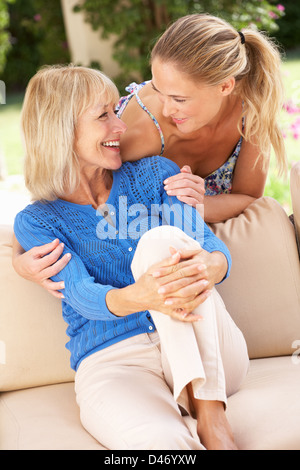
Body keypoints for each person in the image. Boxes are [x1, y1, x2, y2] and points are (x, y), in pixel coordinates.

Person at [13, 64, 249, 450]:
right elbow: (80, 293)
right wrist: (143, 295)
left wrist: (212, 265)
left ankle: (211, 414)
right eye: (104, 115)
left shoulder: (156, 175)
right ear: (61, 129)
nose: (120, 127)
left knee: (160, 240)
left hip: (212, 352)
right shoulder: (38, 221)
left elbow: (207, 245)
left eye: (117, 112)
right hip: (116, 362)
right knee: (159, 445)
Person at [117, 13, 287, 223]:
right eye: (157, 89)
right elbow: (89, 200)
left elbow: (250, 198)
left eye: (179, 99)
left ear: (225, 86)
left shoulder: (251, 114)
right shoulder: (142, 131)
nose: (167, 109)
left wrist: (198, 205)